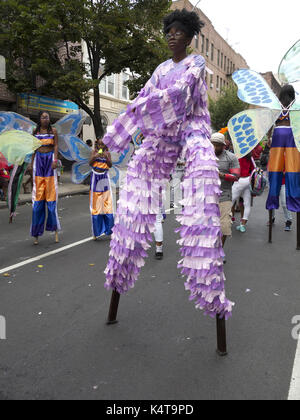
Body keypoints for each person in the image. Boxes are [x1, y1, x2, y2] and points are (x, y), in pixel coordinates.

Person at [101, 9, 233, 319]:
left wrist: (149, 106)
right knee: (135, 191)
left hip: (193, 129)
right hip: (163, 135)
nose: (172, 35)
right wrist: (111, 143)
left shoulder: (196, 63)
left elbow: (182, 94)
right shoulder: (160, 69)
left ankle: (207, 284)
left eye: (178, 31)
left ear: (189, 36)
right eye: (168, 31)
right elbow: (140, 102)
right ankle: (121, 266)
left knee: (203, 179)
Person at [266, 85, 300, 213]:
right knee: (293, 167)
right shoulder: (296, 105)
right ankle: (295, 201)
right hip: (292, 134)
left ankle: (272, 199)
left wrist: (268, 138)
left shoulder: (276, 105)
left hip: (278, 134)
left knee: (275, 167)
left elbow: (270, 123)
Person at [30, 111, 61, 245]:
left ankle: (54, 230)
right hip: (38, 163)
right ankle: (36, 233)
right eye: (43, 117)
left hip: (49, 162)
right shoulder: (35, 131)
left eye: (47, 117)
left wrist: (55, 160)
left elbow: (55, 146)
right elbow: (33, 148)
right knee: (38, 201)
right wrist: (31, 164)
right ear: (39, 119)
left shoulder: (53, 130)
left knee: (51, 199)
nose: (45, 119)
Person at [211, 132, 240, 249]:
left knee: (224, 226)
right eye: (212, 144)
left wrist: (221, 175)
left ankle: (219, 251)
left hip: (224, 195)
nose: (214, 147)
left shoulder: (231, 157)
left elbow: (236, 176)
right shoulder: (202, 156)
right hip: (206, 196)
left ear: (223, 145)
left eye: (217, 145)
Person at [89, 138, 114, 240]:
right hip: (95, 178)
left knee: (107, 205)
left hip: (104, 178)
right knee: (96, 206)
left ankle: (110, 230)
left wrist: (106, 158)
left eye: (102, 145)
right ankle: (96, 232)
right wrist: (95, 157)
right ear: (97, 145)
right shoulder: (94, 152)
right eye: (99, 145)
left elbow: (110, 165)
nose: (101, 147)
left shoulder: (107, 153)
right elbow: (90, 163)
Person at [232, 153, 255, 233]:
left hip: (238, 180)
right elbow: (254, 169)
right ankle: (242, 225)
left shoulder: (237, 156)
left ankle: (222, 221)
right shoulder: (250, 157)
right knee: (247, 204)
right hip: (247, 180)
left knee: (229, 201)